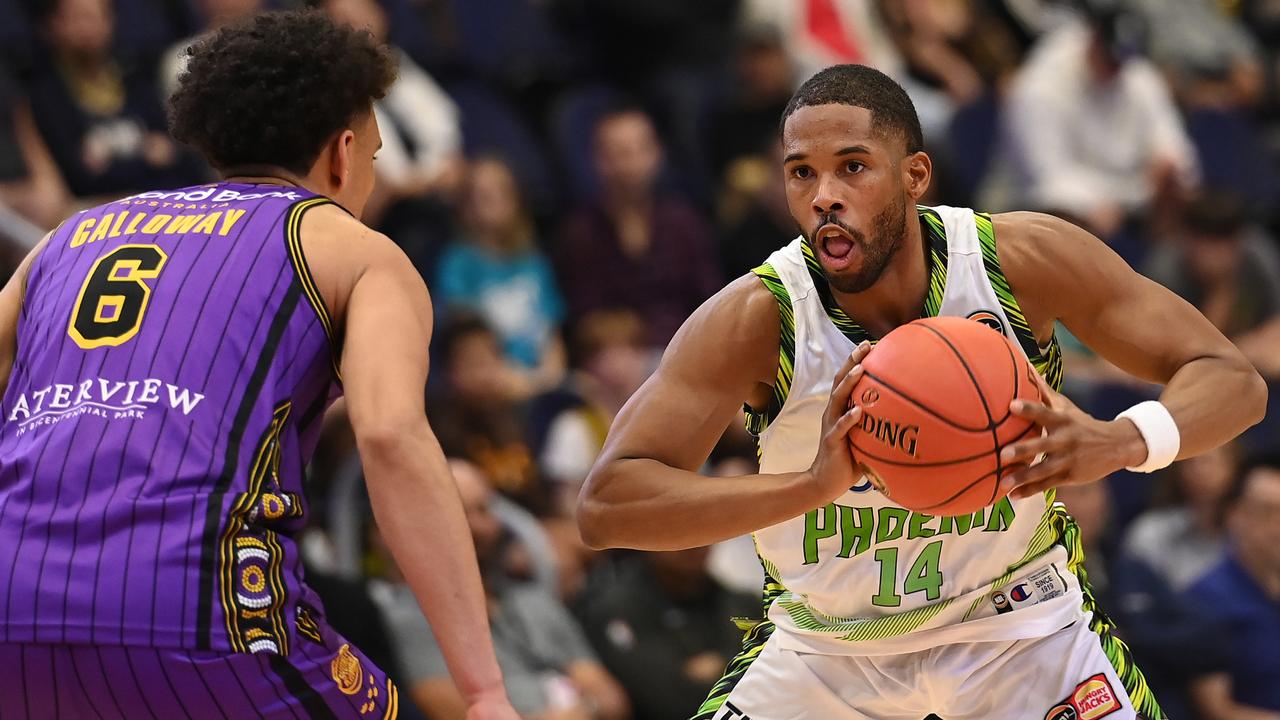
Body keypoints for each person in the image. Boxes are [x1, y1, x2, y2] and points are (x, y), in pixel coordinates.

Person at [578, 64, 1267, 720]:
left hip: (1019, 624)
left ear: (915, 176)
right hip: (826, 653)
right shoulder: (758, 317)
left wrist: (1122, 440)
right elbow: (608, 505)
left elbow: (1232, 380)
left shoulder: (1018, 263)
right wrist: (811, 486)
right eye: (800, 174)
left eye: (852, 166)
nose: (823, 195)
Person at [0, 11, 519, 719]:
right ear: (341, 153)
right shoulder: (353, 249)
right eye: (370, 157)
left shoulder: (71, 237)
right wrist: (485, 691)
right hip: (197, 605)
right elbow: (392, 438)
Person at [373, 458, 629, 720]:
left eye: (485, 510)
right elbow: (447, 709)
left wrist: (587, 709)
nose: (482, 526)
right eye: (462, 513)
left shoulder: (531, 598)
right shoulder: (408, 620)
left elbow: (610, 698)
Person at [1184, 456, 1280, 718]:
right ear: (1234, 516)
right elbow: (1216, 709)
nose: (1277, 527)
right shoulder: (1202, 600)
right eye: (1267, 512)